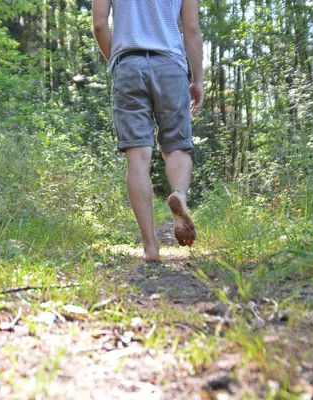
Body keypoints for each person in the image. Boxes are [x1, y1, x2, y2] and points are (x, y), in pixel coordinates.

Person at [92, 0, 204, 261]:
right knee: (176, 146)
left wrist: (119, 64)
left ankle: (151, 247)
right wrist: (197, 79)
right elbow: (192, 30)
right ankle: (178, 193)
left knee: (138, 155)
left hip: (128, 63)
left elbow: (99, 25)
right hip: (170, 64)